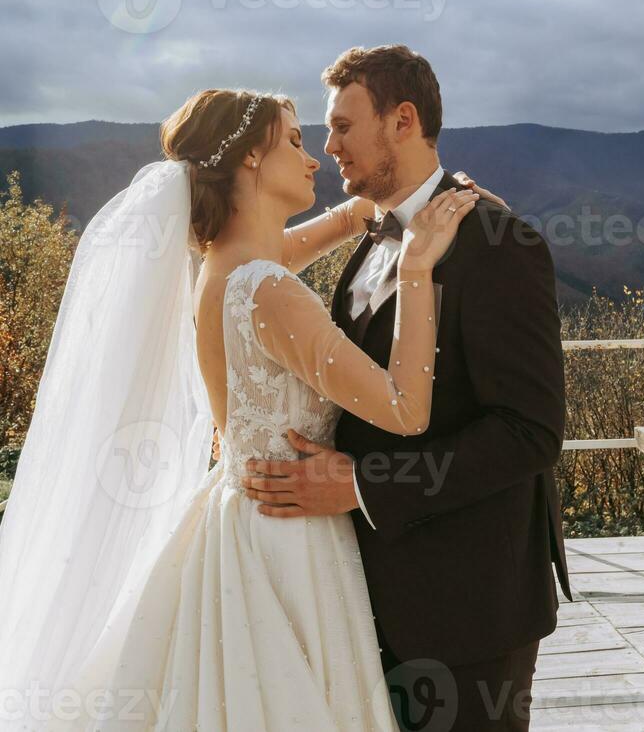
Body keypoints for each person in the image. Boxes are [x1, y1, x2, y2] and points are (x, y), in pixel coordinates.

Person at [0, 85, 478, 731]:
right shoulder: (265, 288)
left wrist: (369, 204)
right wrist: (418, 268)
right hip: (287, 539)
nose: (314, 160)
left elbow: (285, 253)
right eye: (294, 141)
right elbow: (403, 410)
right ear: (251, 156)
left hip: (236, 517)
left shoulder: (219, 270)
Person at [235, 45, 572, 732]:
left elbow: (529, 431)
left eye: (342, 126)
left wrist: (363, 486)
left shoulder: (500, 243)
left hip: (470, 607)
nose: (329, 147)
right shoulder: (365, 238)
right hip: (359, 594)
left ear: (403, 120)